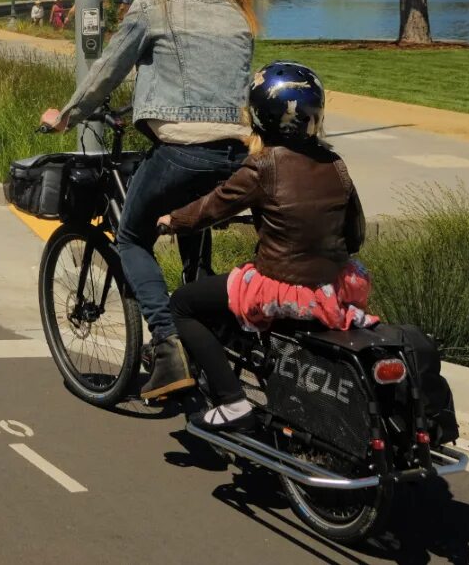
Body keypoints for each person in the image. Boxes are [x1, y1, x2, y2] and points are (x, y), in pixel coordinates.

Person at [41, 0, 257, 401]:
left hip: (183, 150)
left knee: (133, 238)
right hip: (235, 155)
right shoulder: (234, 8)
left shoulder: (153, 8)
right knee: (190, 230)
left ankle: (167, 344)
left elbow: (106, 72)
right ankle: (208, 330)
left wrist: (68, 115)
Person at [158, 62, 372, 431]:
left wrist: (171, 221)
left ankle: (232, 402)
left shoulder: (262, 165)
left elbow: (213, 206)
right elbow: (355, 236)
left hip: (280, 286)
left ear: (260, 115)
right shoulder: (336, 164)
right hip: (332, 287)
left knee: (182, 305)